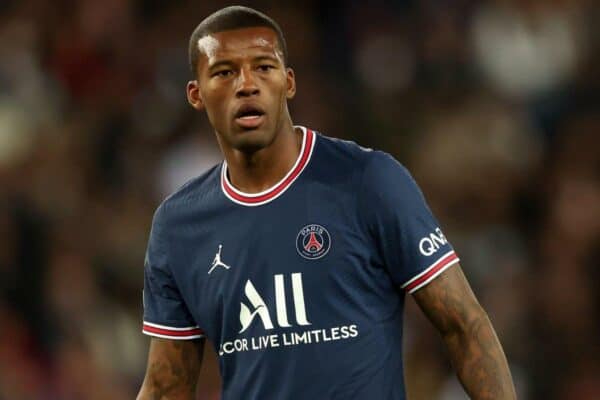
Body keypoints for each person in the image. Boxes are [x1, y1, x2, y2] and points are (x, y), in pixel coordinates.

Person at [137, 6, 516, 400]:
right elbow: (167, 387)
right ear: (196, 93)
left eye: (263, 67)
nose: (247, 84)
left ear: (289, 82)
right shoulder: (179, 225)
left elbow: (464, 325)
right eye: (224, 72)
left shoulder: (367, 181)